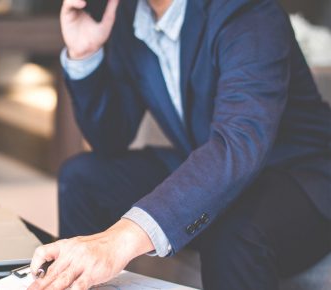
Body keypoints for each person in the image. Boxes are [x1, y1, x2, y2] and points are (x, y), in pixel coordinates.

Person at [28, 0, 331, 289]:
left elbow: (239, 143)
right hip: (207, 160)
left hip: (298, 181)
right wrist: (85, 54)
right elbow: (111, 137)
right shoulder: (128, 14)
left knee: (232, 228)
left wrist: (119, 240)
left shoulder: (248, 12)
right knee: (82, 177)